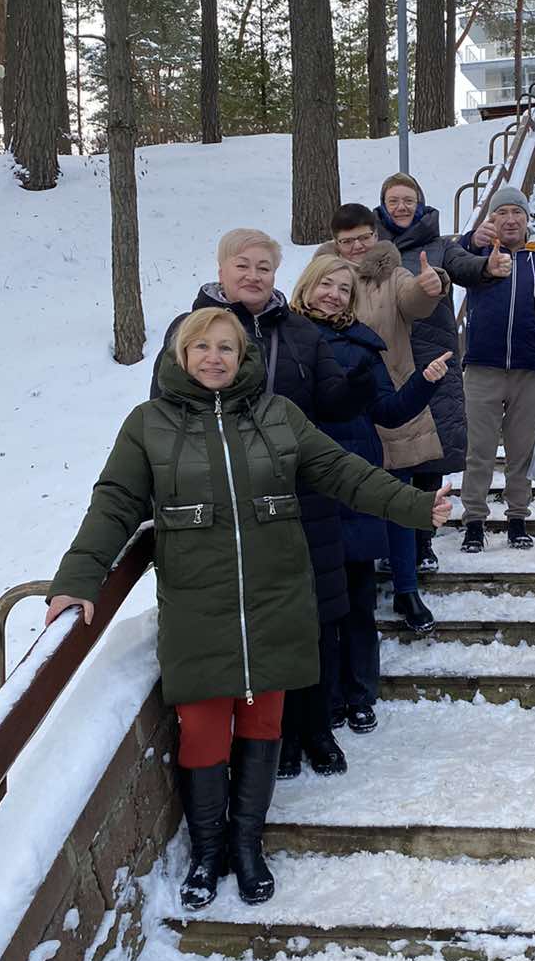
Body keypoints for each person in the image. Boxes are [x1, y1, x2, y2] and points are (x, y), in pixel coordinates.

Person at [47, 307, 451, 912]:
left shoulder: (278, 415)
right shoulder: (148, 425)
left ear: (244, 358)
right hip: (197, 606)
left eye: (227, 348)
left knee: (264, 725)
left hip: (275, 598)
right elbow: (115, 504)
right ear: (181, 355)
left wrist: (416, 509)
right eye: (202, 347)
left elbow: (341, 472)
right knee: (204, 731)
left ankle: (246, 845)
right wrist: (79, 577)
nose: (214, 357)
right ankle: (208, 852)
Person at [152, 227, 372, 779]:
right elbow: (165, 408)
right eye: (242, 266)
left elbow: (332, 403)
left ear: (278, 274)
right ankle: (275, 742)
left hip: (300, 494)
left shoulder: (298, 332)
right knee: (259, 620)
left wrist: (364, 380)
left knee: (313, 614)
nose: (253, 276)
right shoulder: (192, 330)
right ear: (221, 269)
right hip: (227, 498)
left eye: (264, 268)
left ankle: (314, 726)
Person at [292, 253, 450, 738]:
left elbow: (387, 410)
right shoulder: (287, 338)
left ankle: (360, 693)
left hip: (357, 476)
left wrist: (422, 383)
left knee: (358, 598)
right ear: (308, 285)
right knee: (317, 603)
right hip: (304, 481)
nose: (334, 294)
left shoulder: (363, 344)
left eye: (344, 289)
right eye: (327, 285)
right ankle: (327, 697)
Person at [375, 173, 509, 571]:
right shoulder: (372, 249)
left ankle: (423, 541)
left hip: (433, 363)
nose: (401, 207)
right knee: (392, 458)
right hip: (385, 363)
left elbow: (467, 266)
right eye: (394, 200)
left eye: (408, 200)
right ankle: (392, 540)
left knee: (430, 461)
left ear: (420, 204)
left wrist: (489, 266)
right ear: (383, 205)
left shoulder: (439, 247)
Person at [327, 203, 448, 635]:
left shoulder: (392, 275)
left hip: (392, 398)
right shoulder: (326, 280)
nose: (357, 247)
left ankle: (406, 587)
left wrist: (431, 285)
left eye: (363, 237)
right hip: (340, 410)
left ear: (375, 236)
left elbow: (414, 300)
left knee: (396, 495)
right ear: (335, 244)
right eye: (347, 241)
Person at [457, 186, 535, 550]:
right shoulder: (477, 252)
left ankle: (517, 519)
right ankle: (475, 520)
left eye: (516, 212)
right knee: (478, 449)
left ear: (527, 218)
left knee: (520, 450)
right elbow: (450, 262)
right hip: (483, 366)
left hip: (530, 366)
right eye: (502, 213)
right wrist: (468, 239)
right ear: (491, 219)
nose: (510, 219)